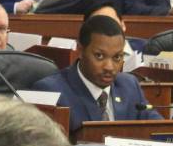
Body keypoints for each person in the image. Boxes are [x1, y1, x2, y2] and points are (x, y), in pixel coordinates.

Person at [32, 15, 162, 131]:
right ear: (81, 51)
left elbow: (159, 130)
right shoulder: (50, 91)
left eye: (117, 57)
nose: (109, 67)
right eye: (99, 56)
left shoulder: (129, 85)